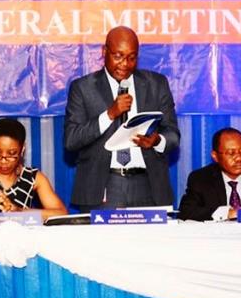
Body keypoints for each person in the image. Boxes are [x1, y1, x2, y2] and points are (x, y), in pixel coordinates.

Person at [63, 26, 180, 210]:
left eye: (132, 58)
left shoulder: (156, 84)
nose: (125, 64)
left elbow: (173, 134)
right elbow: (71, 140)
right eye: (118, 56)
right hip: (104, 186)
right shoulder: (83, 88)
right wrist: (109, 114)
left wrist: (157, 140)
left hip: (148, 185)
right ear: (104, 51)